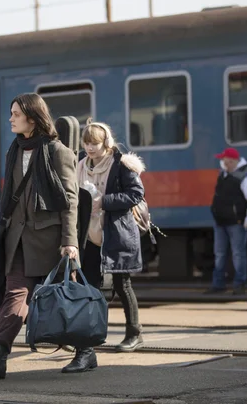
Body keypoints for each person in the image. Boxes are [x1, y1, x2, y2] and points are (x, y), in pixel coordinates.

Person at [0, 93, 79, 379]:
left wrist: (69, 241)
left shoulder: (58, 152)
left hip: (50, 241)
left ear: (32, 117)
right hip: (17, 238)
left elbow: (70, 200)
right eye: (11, 113)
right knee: (14, 294)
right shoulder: (14, 150)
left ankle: (85, 351)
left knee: (66, 297)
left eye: (15, 114)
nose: (11, 119)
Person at [75, 119, 146, 363]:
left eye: (94, 143)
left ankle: (134, 334)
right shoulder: (81, 165)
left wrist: (104, 201)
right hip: (90, 235)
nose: (90, 148)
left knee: (122, 285)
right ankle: (90, 338)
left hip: (117, 233)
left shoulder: (122, 164)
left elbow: (136, 194)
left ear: (106, 143)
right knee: (90, 288)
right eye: (86, 143)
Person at [206, 147, 247, 295]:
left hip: (237, 221)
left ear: (232, 161)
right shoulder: (224, 173)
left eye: (225, 161)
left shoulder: (246, 175)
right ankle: (218, 284)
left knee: (238, 253)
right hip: (220, 220)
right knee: (220, 253)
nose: (223, 163)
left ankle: (239, 284)